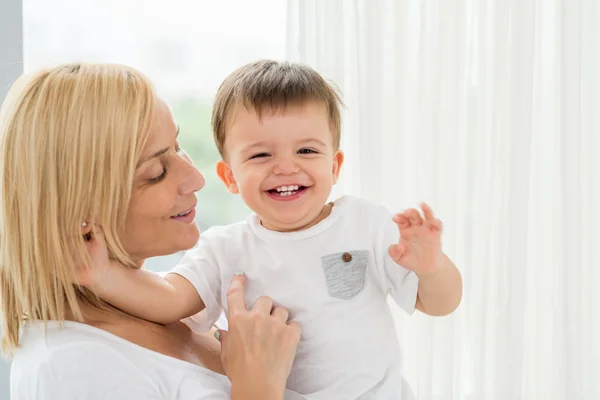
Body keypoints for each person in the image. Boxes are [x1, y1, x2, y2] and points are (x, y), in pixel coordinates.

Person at [86, 60, 464, 399]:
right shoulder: (225, 249)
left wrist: (431, 267)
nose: (286, 167)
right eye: (261, 155)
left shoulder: (365, 224)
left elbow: (441, 303)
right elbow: (169, 300)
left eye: (307, 151)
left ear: (335, 167)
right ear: (230, 176)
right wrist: (102, 276)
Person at [0, 63, 305, 400]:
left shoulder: (170, 308)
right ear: (79, 214)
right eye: (157, 171)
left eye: (177, 147)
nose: (195, 179)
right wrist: (258, 389)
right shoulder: (72, 367)